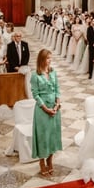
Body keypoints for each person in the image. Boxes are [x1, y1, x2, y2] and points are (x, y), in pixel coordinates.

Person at [31, 49, 62, 177]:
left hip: (54, 108)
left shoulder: (53, 72)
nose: (50, 60)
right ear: (41, 59)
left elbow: (57, 89)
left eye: (50, 58)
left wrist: (58, 103)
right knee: (43, 136)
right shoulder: (35, 75)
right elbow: (35, 94)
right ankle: (42, 162)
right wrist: (45, 108)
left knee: (53, 135)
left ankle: (50, 159)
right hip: (42, 109)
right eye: (47, 58)